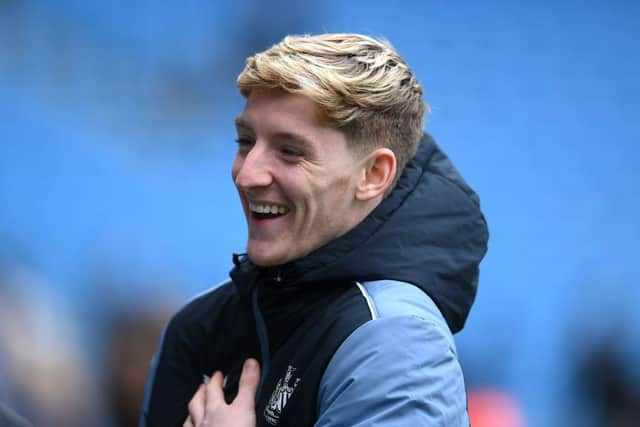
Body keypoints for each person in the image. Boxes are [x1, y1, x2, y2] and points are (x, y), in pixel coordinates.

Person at [139, 33, 488, 427]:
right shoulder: (197, 326)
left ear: (373, 174)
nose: (247, 175)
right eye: (245, 141)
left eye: (290, 151)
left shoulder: (395, 343)